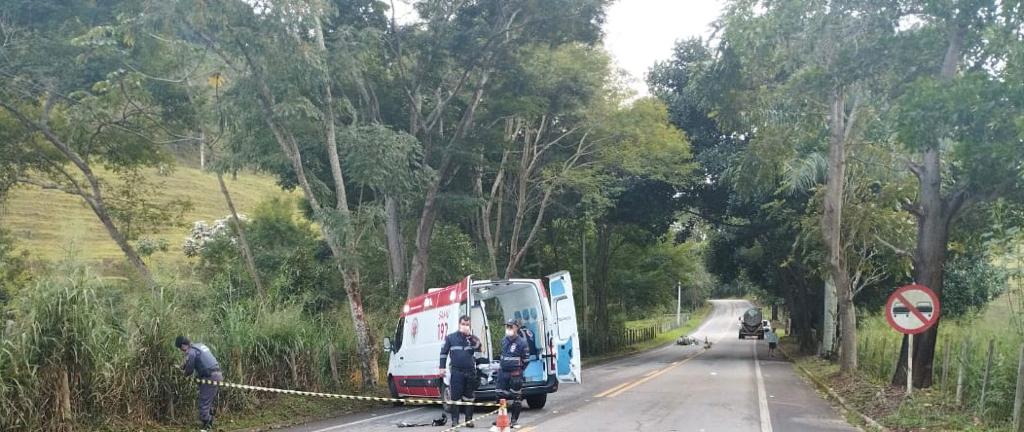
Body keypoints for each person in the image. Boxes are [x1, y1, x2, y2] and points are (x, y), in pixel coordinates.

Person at [439, 315, 482, 427]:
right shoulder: (451, 338)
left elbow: (479, 348)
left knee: (469, 397)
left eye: (467, 324)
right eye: (463, 324)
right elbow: (443, 353)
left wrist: (470, 337)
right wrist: (442, 367)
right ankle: (455, 421)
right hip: (457, 372)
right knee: (455, 397)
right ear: (459, 324)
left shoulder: (473, 339)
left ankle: (468, 420)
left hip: (470, 371)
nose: (465, 326)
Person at [176, 336, 223, 431]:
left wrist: (183, 374)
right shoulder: (199, 346)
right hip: (217, 374)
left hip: (210, 377)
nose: (182, 351)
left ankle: (207, 424)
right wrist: (181, 367)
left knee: (204, 401)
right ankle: (208, 419)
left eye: (180, 349)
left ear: (183, 346)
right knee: (207, 400)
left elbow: (189, 368)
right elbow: (191, 361)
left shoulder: (191, 351)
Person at [496, 319, 529, 428]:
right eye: (507, 326)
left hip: (515, 374)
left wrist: (519, 370)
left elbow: (526, 360)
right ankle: (502, 419)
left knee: (516, 397)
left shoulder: (522, 342)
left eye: (511, 326)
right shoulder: (504, 340)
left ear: (516, 328)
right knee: (500, 395)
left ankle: (514, 420)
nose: (508, 328)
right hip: (503, 373)